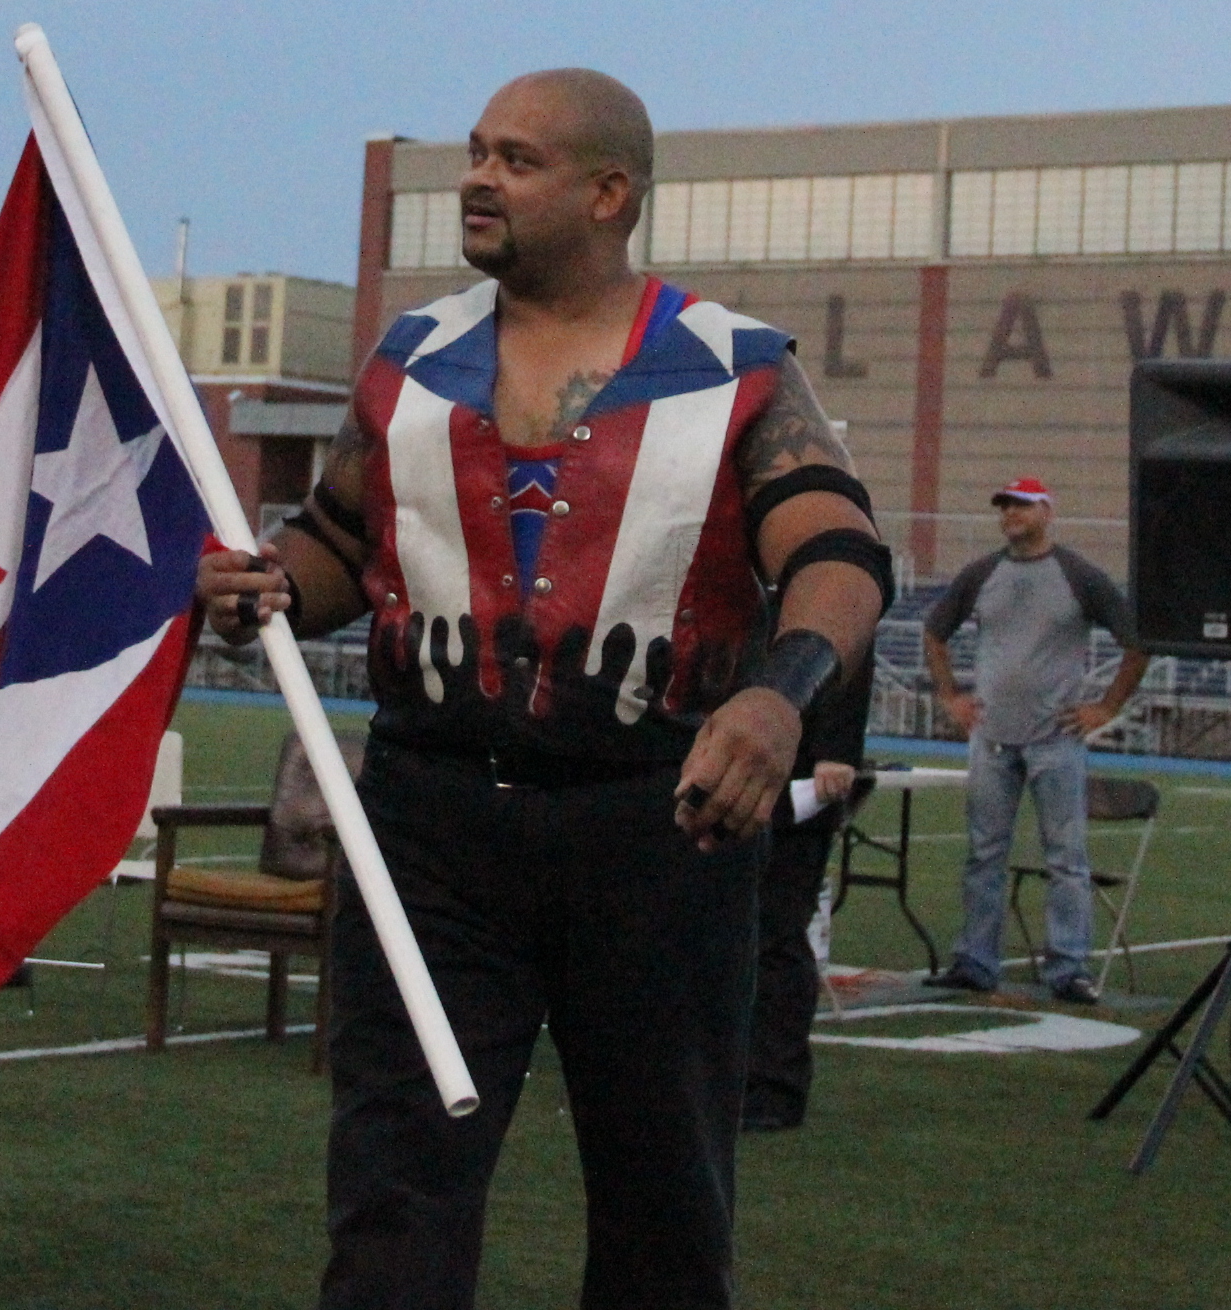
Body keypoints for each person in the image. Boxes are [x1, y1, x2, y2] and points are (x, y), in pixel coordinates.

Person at [196, 69, 891, 1310]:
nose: (477, 175)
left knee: (664, 1202)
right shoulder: (410, 360)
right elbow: (342, 544)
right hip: (429, 825)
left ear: (609, 192)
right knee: (393, 1187)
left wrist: (783, 695)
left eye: (517, 158)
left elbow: (841, 556)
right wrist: (268, 589)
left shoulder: (734, 367)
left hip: (659, 830)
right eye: (476, 152)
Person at [921, 477, 1149, 1005]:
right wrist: (950, 696)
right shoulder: (981, 574)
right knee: (983, 853)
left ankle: (1069, 967)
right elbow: (935, 632)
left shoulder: (1079, 576)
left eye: (1021, 506)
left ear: (1047, 510)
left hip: (1055, 740)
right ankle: (976, 961)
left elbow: (1137, 642)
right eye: (1005, 508)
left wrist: (1107, 707)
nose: (1010, 516)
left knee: (1066, 856)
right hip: (993, 738)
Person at [741, 654, 871, 1133]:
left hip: (797, 778)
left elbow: (847, 650)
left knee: (777, 932)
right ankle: (736, 1078)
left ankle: (775, 1088)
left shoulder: (819, 584)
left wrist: (836, 748)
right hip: (747, 762)